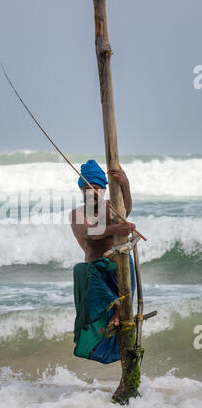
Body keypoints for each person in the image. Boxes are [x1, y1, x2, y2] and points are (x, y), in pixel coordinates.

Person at [69, 159, 136, 396]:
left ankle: (125, 381)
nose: (92, 193)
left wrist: (125, 184)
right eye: (87, 189)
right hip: (96, 278)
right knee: (81, 270)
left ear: (103, 189)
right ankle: (115, 304)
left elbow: (126, 209)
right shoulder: (76, 214)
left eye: (96, 188)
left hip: (120, 271)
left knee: (126, 328)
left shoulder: (112, 206)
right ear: (82, 191)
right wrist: (114, 230)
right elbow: (90, 232)